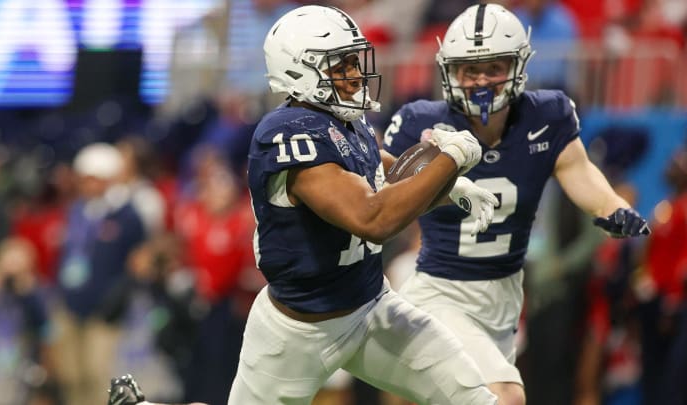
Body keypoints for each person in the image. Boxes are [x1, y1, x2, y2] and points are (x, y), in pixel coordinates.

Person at [108, 5, 500, 405]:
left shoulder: (346, 120)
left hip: (371, 307)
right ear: (299, 71)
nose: (354, 74)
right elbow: (373, 217)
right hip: (298, 333)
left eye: (354, 61)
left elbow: (380, 171)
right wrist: (451, 159)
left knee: (473, 398)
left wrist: (449, 186)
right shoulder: (288, 135)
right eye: (340, 65)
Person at [381, 4, 651, 405]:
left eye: (494, 67)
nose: (481, 80)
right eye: (470, 69)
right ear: (449, 72)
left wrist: (609, 206)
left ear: (518, 65)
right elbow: (383, 182)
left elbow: (577, 169)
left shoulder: (546, 115)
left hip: (506, 295)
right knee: (505, 396)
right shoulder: (421, 121)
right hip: (443, 289)